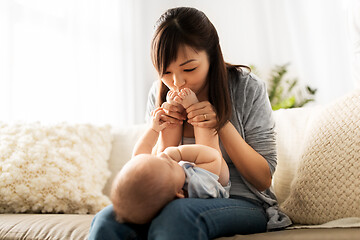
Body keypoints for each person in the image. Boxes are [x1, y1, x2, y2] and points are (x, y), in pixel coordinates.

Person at [89, 7, 291, 240]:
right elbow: (155, 166)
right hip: (170, 195)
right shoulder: (159, 92)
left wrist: (222, 124)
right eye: (166, 72)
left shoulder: (247, 88)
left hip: (242, 200)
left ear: (212, 56)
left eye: (189, 68)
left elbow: (263, 178)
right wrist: (160, 128)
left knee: (178, 215)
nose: (177, 81)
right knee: (107, 220)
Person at [110, 89, 230, 225]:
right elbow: (212, 156)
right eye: (167, 163)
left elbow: (140, 152)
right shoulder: (197, 186)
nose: (164, 157)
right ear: (179, 192)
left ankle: (173, 114)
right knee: (207, 145)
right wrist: (179, 153)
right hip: (213, 175)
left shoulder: (164, 178)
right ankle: (196, 110)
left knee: (163, 150)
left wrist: (154, 129)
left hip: (176, 174)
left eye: (160, 160)